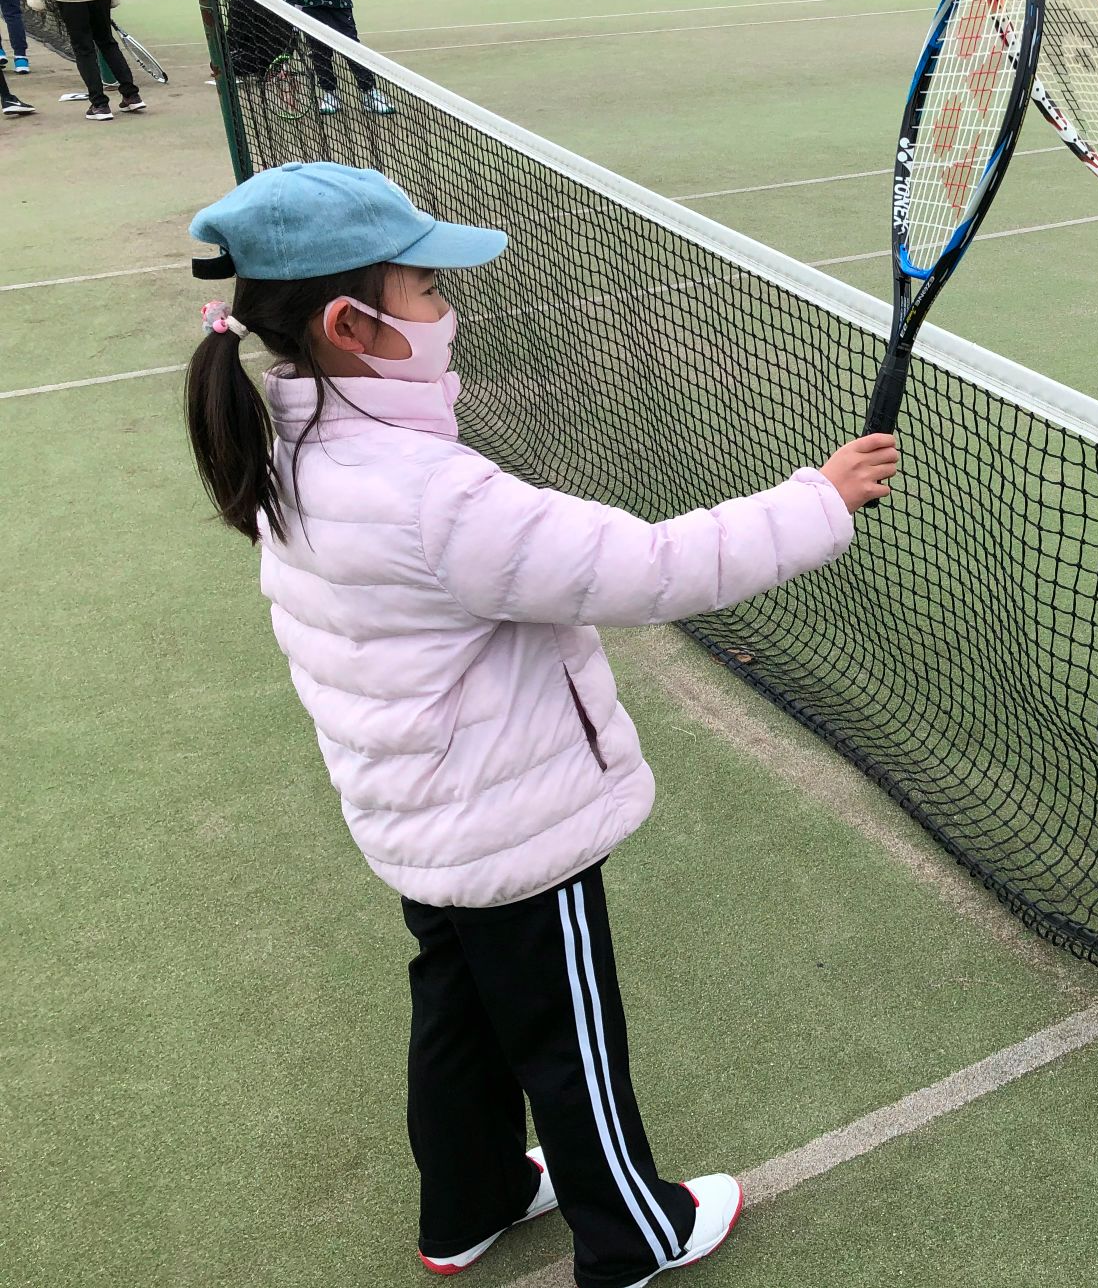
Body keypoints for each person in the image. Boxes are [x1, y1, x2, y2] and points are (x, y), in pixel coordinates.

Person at [182, 161, 898, 1285]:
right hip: (505, 824)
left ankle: (468, 1199)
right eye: (425, 289)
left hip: (416, 815)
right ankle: (633, 1234)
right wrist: (817, 500)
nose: (447, 311)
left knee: (458, 1010)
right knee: (571, 1046)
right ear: (349, 323)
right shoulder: (435, 494)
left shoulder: (284, 440)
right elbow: (650, 568)